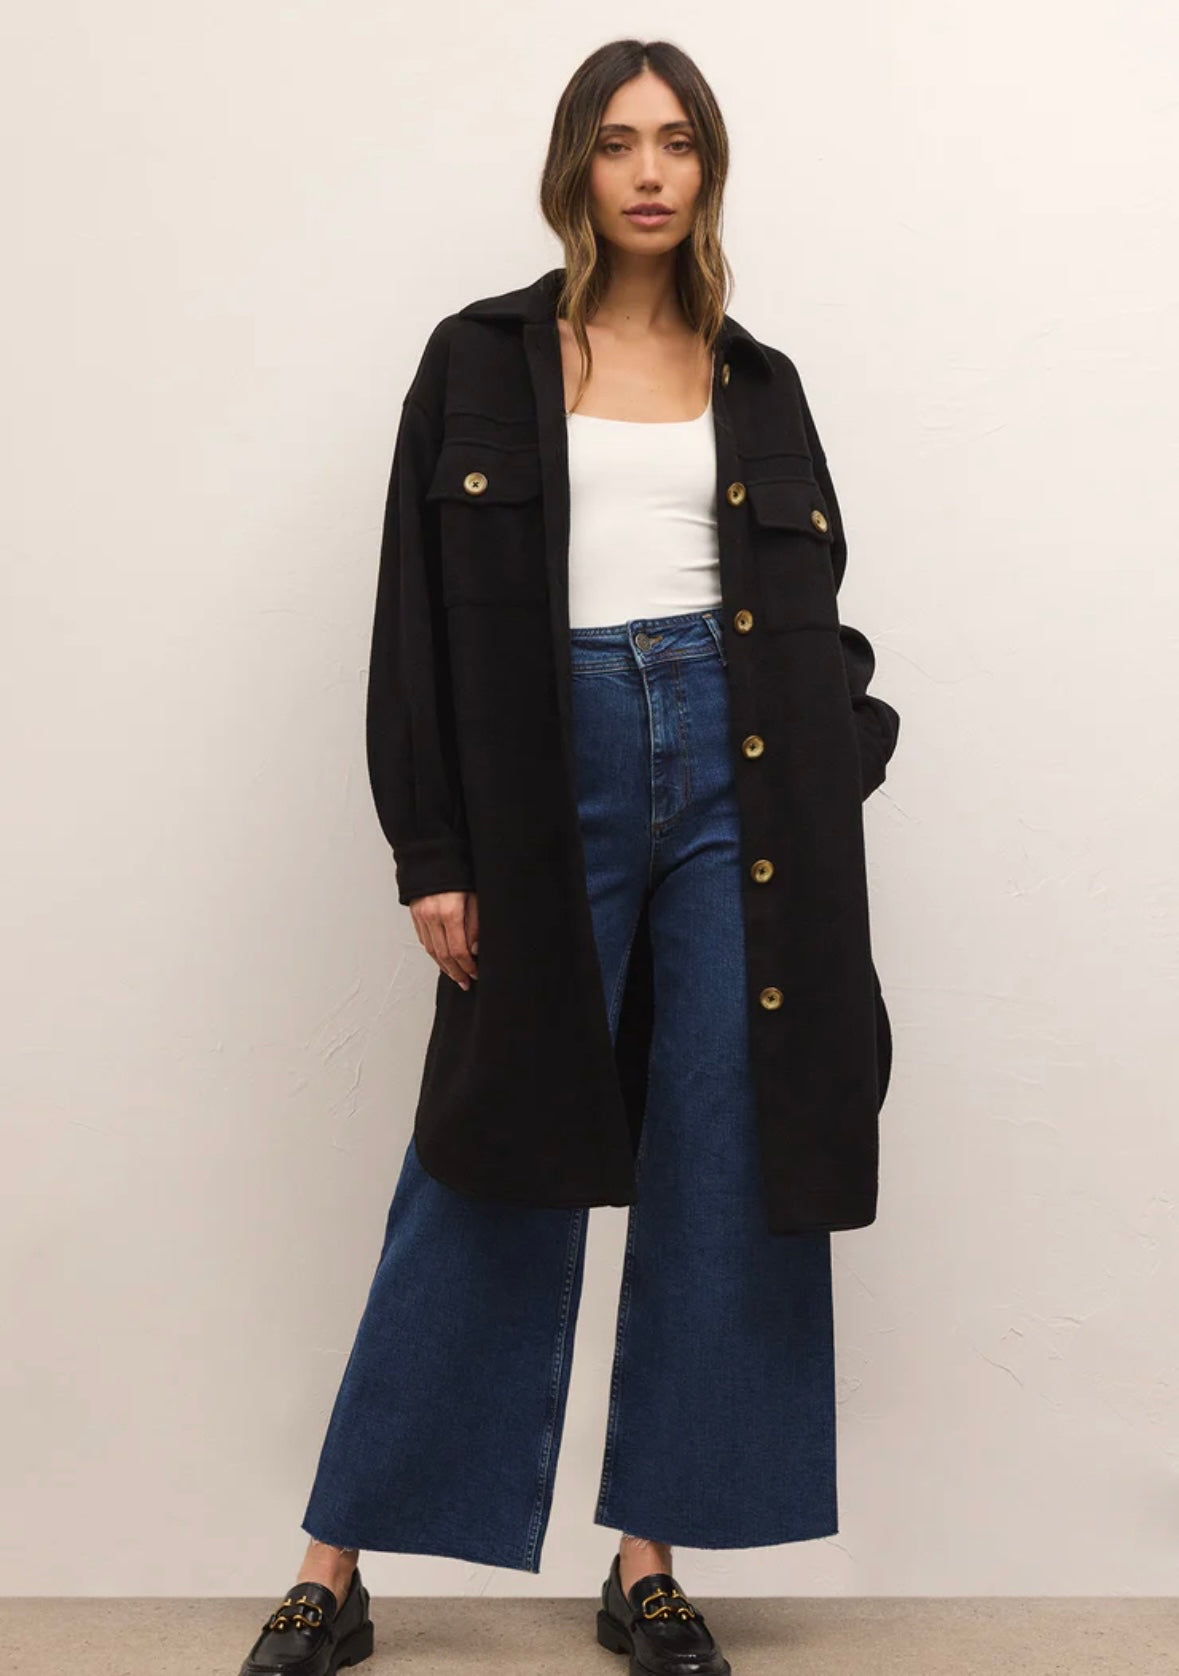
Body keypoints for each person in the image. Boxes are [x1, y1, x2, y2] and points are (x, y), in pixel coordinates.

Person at [238, 36, 899, 1676]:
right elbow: (412, 615)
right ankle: (334, 1566)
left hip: (742, 783)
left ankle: (649, 1563)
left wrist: (838, 753)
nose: (650, 171)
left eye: (677, 141)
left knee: (723, 1152)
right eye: (618, 142)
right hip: (551, 774)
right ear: (575, 168)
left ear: (709, 167)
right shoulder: (479, 359)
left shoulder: (759, 382)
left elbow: (815, 615)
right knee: (485, 1151)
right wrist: (432, 847)